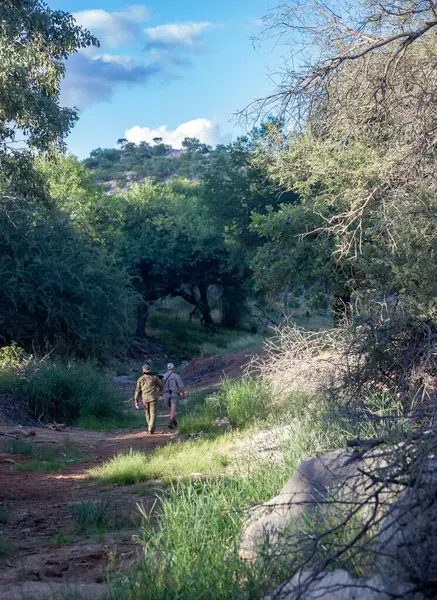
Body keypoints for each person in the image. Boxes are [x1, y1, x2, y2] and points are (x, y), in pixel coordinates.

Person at [134, 364, 163, 434]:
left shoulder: (140, 379)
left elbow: (137, 390)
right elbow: (161, 385)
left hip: (144, 399)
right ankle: (151, 428)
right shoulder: (154, 377)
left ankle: (149, 427)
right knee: (152, 413)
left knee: (147, 414)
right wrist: (160, 379)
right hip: (153, 398)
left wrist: (136, 400)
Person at [163, 362, 186, 429]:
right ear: (173, 368)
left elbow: (160, 386)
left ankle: (174, 422)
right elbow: (181, 387)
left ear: (167, 368)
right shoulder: (176, 376)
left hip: (166, 394)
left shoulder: (164, 376)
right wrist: (183, 394)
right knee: (173, 408)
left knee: (170, 408)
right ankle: (170, 422)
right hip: (174, 394)